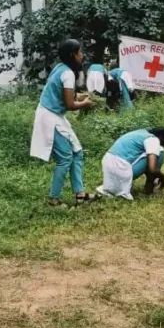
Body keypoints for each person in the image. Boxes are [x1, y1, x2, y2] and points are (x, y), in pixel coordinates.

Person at [30, 38, 97, 205]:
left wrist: (78, 97)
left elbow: (62, 94)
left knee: (77, 152)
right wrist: (85, 103)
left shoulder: (60, 68)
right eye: (79, 52)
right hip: (50, 116)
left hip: (54, 114)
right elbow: (70, 105)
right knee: (65, 158)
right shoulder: (67, 73)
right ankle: (54, 199)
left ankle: (80, 194)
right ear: (72, 55)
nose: (82, 55)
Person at [97, 127, 164, 200]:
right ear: (161, 140)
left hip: (108, 164)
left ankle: (116, 186)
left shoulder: (140, 132)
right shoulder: (153, 140)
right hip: (120, 168)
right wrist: (162, 177)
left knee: (150, 155)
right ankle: (149, 188)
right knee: (160, 152)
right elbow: (152, 169)